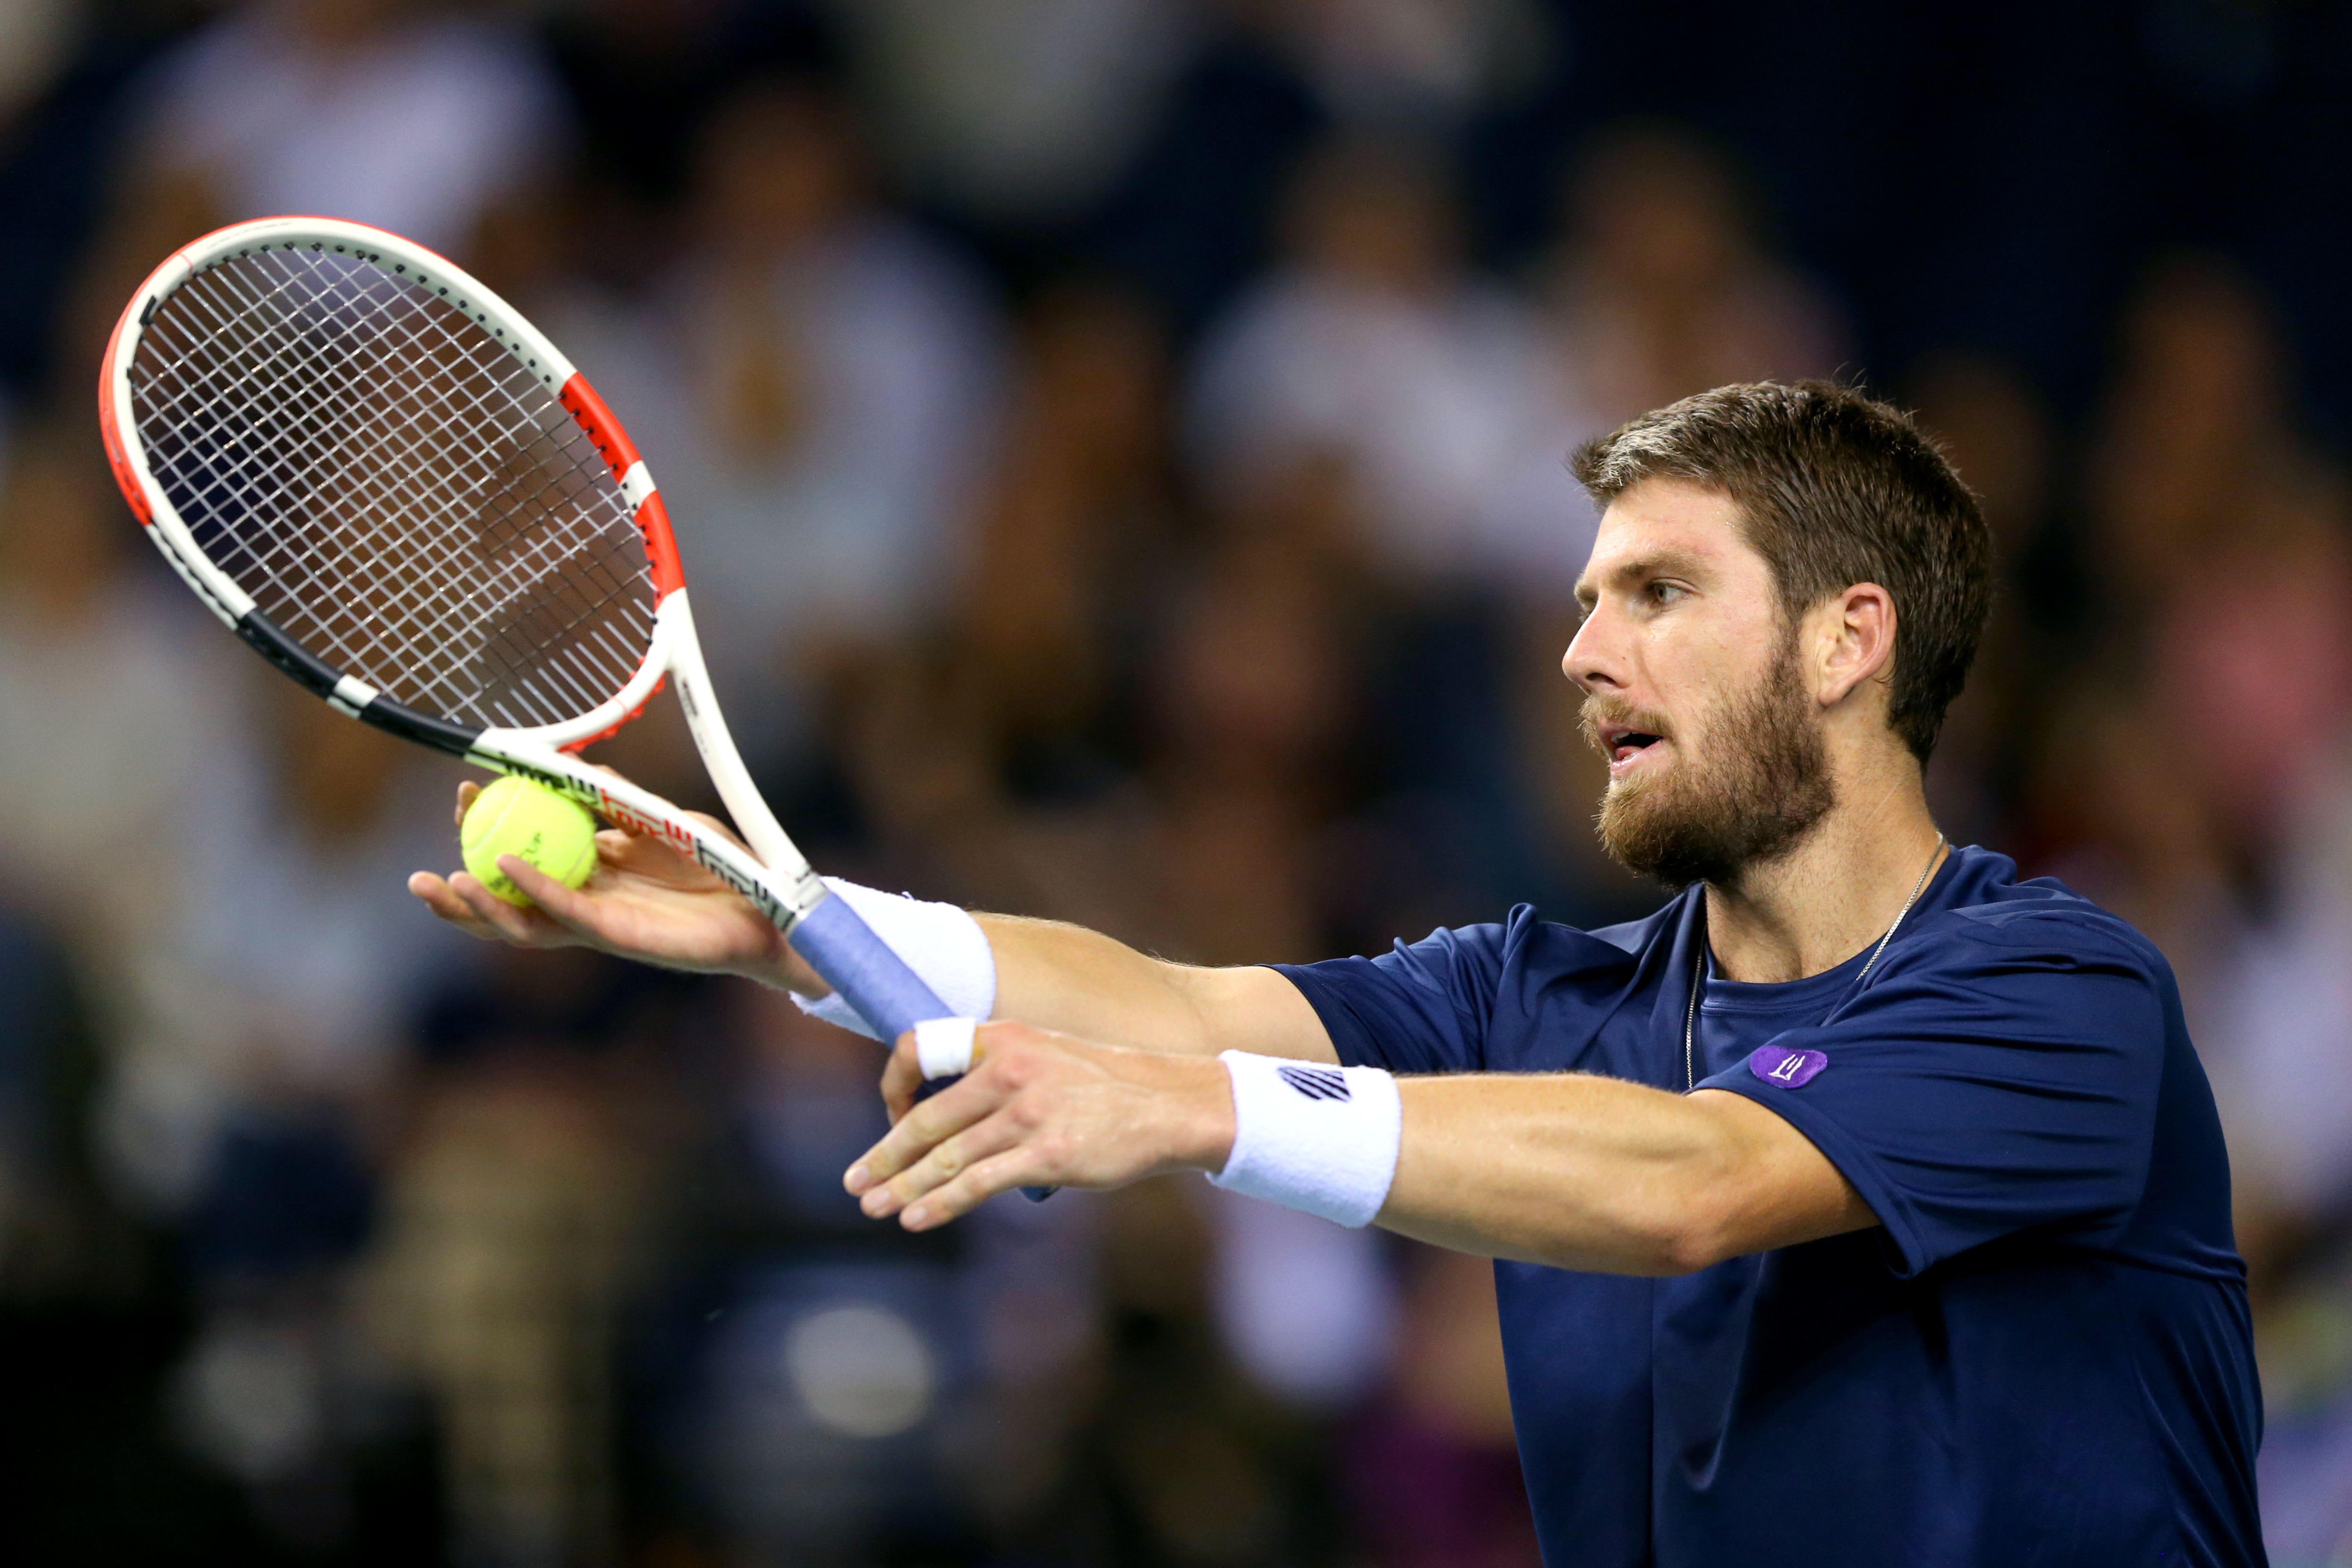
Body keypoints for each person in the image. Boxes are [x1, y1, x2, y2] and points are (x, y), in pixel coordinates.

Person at [411, 381, 2263, 1566]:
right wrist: (780, 922)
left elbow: (1700, 1184)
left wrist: (1191, 1118)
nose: (1577, 650)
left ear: (1850, 640)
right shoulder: (1540, 988)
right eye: (1578, 596)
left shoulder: (2055, 989)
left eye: (1656, 594)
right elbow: (1168, 1002)